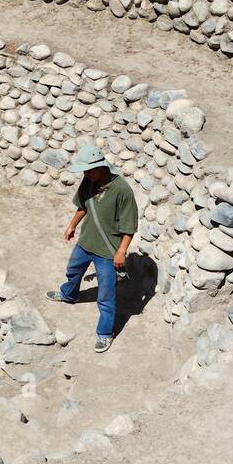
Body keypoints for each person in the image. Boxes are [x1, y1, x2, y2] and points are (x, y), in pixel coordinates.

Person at [45, 144, 138, 353]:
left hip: (107, 251)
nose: (85, 174)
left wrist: (121, 251)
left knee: (106, 295)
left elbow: (130, 226)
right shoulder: (89, 180)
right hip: (86, 242)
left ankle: (105, 334)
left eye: (88, 169)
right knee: (73, 270)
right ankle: (69, 295)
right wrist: (72, 226)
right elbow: (83, 206)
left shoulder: (122, 191)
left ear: (100, 166)